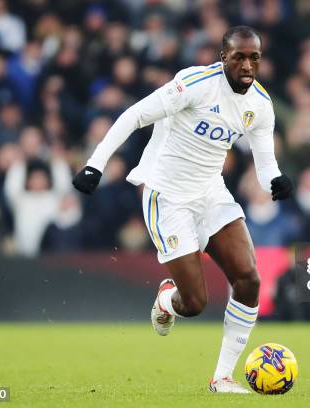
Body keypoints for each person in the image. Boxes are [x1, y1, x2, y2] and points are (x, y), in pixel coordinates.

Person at [71, 26, 294, 393]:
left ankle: (222, 377)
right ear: (223, 57)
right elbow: (134, 115)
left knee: (249, 279)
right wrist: (95, 165)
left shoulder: (260, 104)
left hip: (210, 193)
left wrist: (277, 179)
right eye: (239, 56)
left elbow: (265, 161)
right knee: (194, 303)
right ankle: (166, 299)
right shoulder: (194, 83)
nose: (247, 64)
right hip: (168, 197)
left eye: (254, 57)